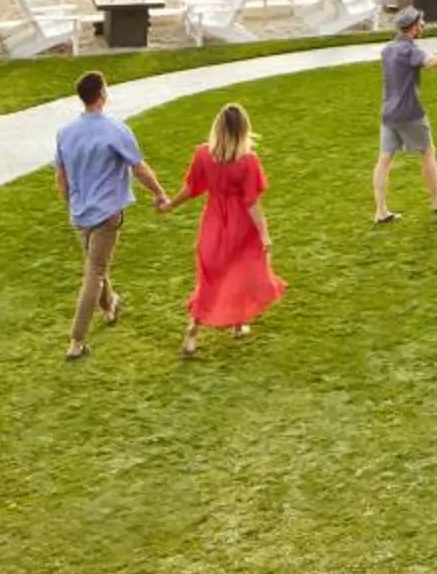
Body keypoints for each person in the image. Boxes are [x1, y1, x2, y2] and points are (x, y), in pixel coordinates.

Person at [52, 70, 171, 361]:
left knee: (97, 265)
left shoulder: (65, 133)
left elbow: (60, 176)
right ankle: (77, 340)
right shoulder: (115, 129)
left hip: (79, 215)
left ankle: (109, 306)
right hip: (106, 216)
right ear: (102, 94)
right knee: (94, 272)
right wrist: (159, 193)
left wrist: (71, 203)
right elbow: (139, 168)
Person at [164, 102, 285, 357]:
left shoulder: (203, 155)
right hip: (240, 227)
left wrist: (171, 204)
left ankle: (199, 330)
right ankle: (235, 325)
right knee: (243, 273)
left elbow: (191, 188)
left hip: (213, 225)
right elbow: (251, 203)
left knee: (211, 280)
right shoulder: (248, 161)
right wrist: (264, 234)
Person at [373, 7, 437, 223]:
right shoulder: (410, 50)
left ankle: (380, 211)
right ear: (413, 28)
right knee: (427, 152)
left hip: (388, 113)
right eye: (421, 24)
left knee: (384, 160)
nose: (423, 27)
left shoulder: (387, 50)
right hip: (410, 112)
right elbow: (430, 62)